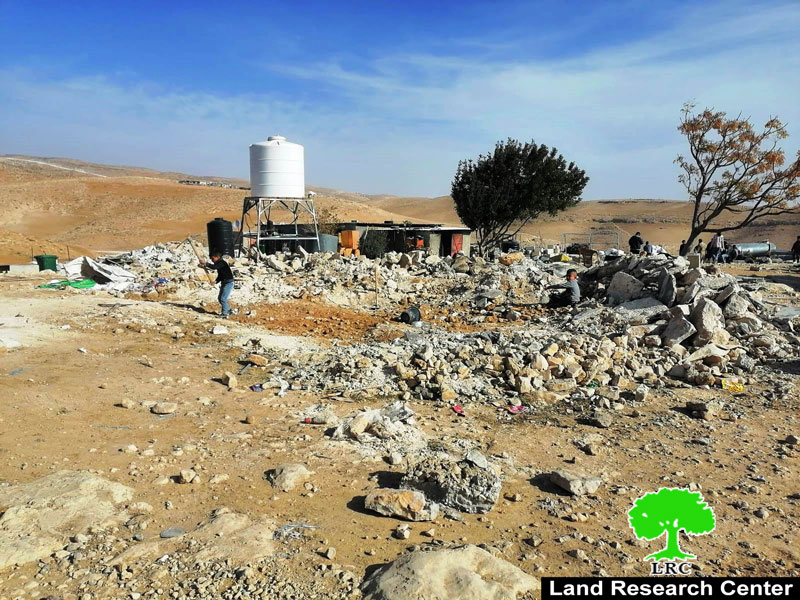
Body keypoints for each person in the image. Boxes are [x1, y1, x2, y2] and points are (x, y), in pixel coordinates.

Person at [199, 250, 235, 318]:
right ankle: (228, 310)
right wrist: (216, 281)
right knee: (220, 298)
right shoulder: (219, 264)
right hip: (224, 282)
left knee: (223, 299)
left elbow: (214, 267)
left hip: (228, 283)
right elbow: (221, 275)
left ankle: (224, 314)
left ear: (217, 257)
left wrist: (206, 263)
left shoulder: (222, 263)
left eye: (212, 258)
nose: (212, 260)